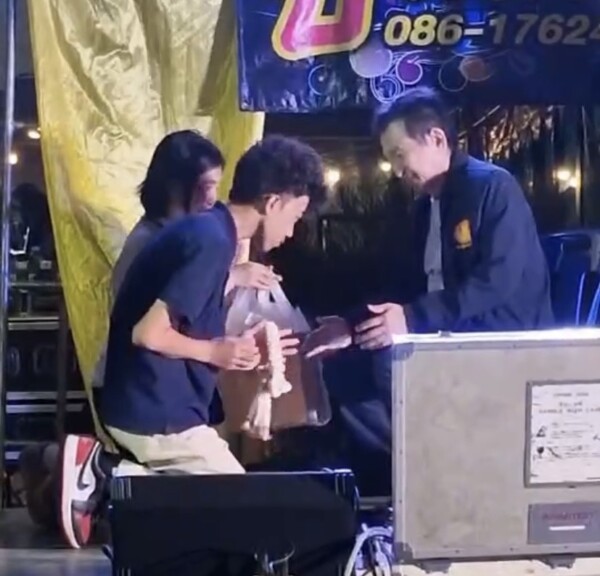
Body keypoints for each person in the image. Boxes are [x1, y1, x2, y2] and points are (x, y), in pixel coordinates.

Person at [59, 135, 326, 549]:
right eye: (296, 215)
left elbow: (184, 320)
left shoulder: (210, 231)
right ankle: (105, 475)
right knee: (246, 514)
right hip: (156, 411)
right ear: (273, 202)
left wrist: (237, 345)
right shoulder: (211, 241)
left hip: (157, 405)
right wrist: (217, 352)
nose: (292, 231)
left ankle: (113, 476)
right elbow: (148, 333)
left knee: (200, 511)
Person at [19, 130, 279, 539]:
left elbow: (187, 312)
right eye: (205, 186)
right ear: (175, 186)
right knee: (222, 500)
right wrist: (220, 331)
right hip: (144, 385)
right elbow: (150, 326)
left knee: (186, 494)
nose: (212, 197)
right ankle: (100, 472)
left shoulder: (193, 236)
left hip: (158, 387)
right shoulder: (178, 240)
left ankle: (79, 468)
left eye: (216, 185)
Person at [303, 86, 554, 495]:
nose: (397, 169)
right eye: (391, 159)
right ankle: (401, 477)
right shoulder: (424, 207)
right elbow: (402, 284)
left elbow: (497, 281)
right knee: (342, 371)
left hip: (497, 337)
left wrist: (413, 317)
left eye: (400, 155)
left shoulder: (491, 187)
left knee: (389, 364)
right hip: (443, 333)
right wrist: (351, 325)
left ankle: (437, 473)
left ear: (436, 138)